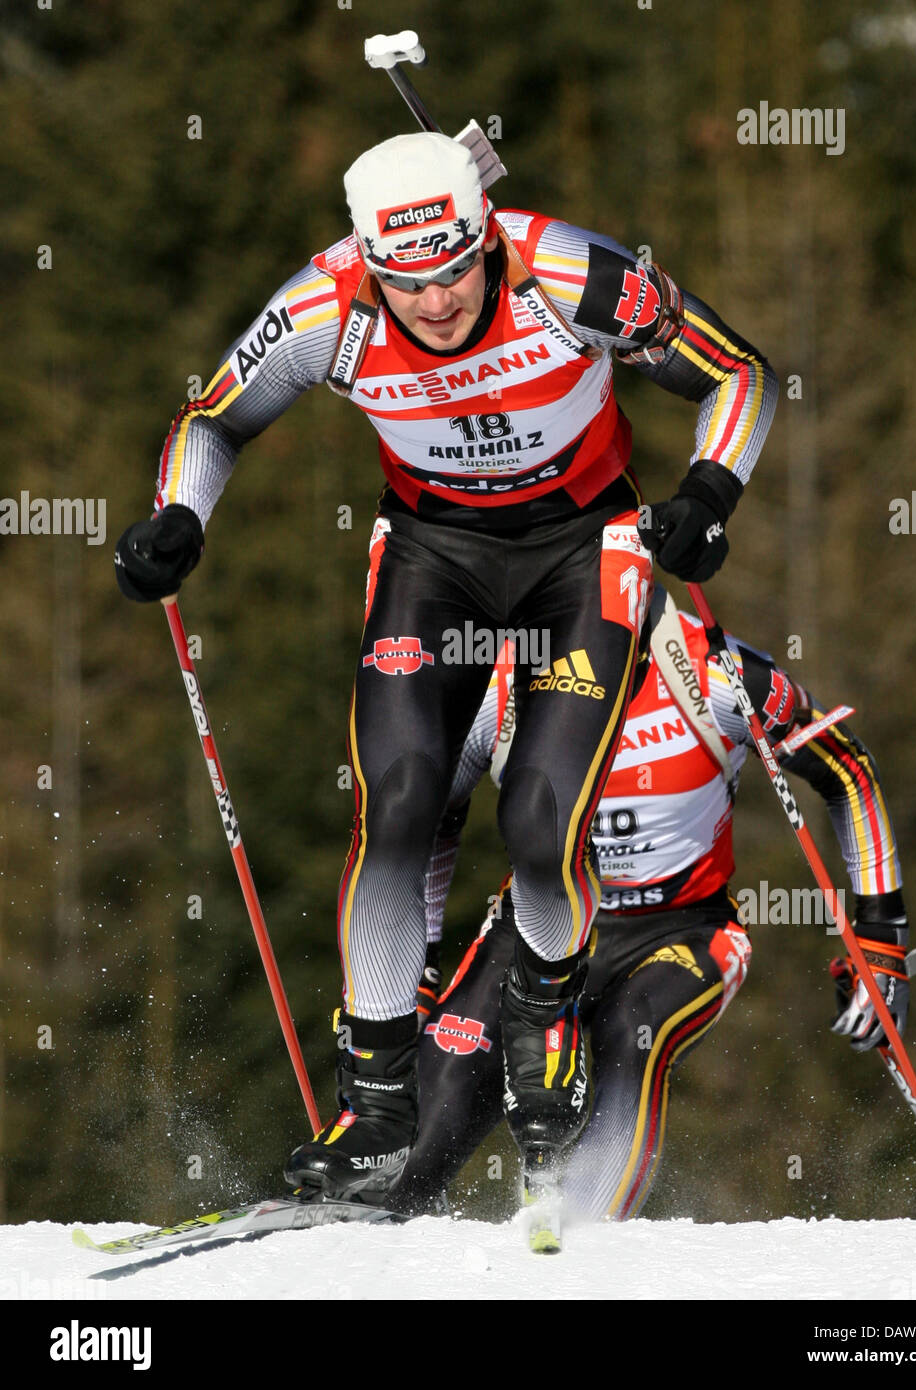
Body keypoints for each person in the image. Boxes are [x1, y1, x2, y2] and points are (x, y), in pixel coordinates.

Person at [113, 130, 777, 1203]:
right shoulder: (327, 305)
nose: (432, 303)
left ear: (486, 240)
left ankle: (540, 1020)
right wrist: (177, 518)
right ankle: (376, 1098)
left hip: (582, 548)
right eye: (404, 281)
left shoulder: (568, 273)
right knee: (403, 798)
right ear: (368, 260)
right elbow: (211, 421)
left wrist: (705, 496)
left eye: (454, 270)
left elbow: (737, 373)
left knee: (537, 817)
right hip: (434, 552)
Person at [394, 594, 909, 1219]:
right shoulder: (503, 679)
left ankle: (583, 1229)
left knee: (632, 1029)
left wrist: (879, 938)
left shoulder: (718, 675)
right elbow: (432, 820)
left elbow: (847, 769)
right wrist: (413, 970)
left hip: (685, 928)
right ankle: (374, 1225)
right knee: (450, 1069)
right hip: (545, 916)